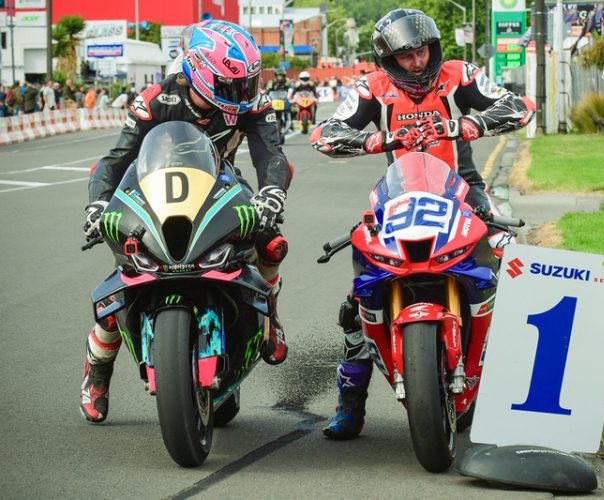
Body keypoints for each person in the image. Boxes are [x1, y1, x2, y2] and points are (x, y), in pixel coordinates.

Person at [309, 8, 534, 440]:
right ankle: (350, 405)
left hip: (464, 190)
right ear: (387, 59)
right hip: (399, 194)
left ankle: (518, 384)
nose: (417, 62)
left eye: (423, 51)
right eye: (406, 56)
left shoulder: (459, 75)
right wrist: (375, 139)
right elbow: (325, 133)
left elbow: (519, 107)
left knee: (507, 266)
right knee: (359, 297)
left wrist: (468, 123)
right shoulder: (371, 87)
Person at [79, 20, 292, 424]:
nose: (242, 95)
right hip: (155, 190)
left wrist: (272, 193)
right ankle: (97, 370)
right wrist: (97, 206)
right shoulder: (155, 98)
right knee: (124, 278)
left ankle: (271, 316)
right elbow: (113, 161)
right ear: (196, 69)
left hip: (222, 185)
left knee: (271, 243)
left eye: (246, 83)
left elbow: (272, 154)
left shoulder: (252, 101)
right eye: (231, 85)